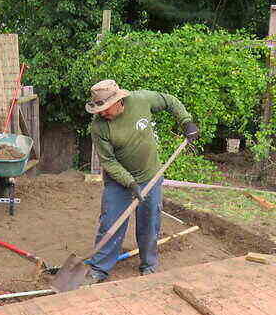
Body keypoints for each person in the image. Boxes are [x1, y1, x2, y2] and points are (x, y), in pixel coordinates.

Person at [85, 79, 199, 284]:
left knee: (150, 221)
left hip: (150, 176)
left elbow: (170, 101)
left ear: (118, 101)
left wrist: (186, 121)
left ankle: (149, 265)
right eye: (98, 109)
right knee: (110, 222)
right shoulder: (99, 127)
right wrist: (130, 183)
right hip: (119, 181)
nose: (101, 113)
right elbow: (108, 162)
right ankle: (99, 268)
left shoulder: (140, 100)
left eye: (105, 108)